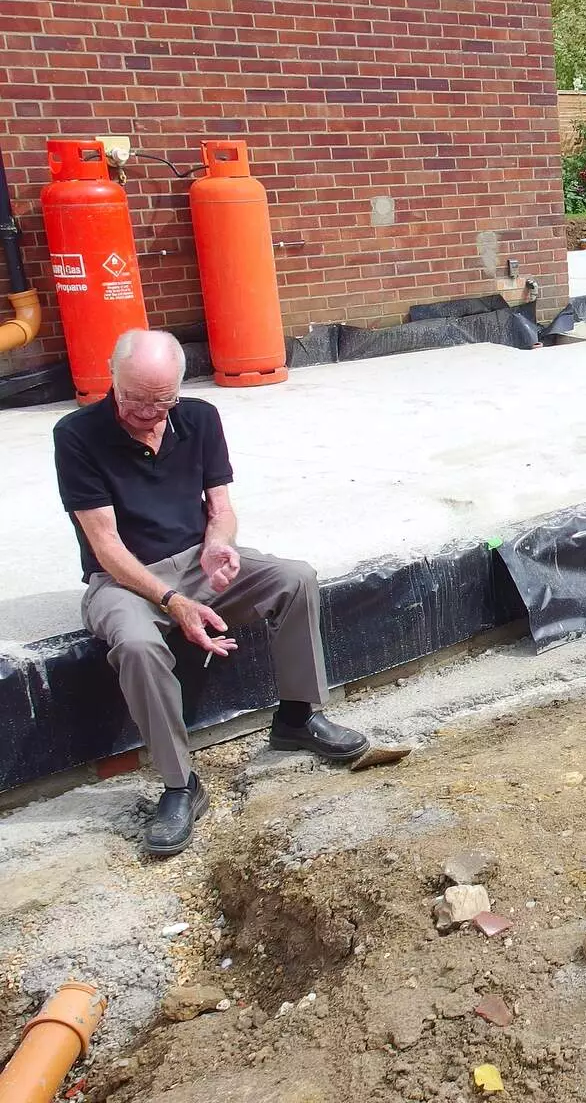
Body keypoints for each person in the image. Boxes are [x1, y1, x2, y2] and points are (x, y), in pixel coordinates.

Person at [53, 329, 369, 857]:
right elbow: (105, 544)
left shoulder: (199, 418)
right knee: (135, 644)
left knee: (294, 578)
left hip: (196, 563)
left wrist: (219, 547)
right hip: (125, 579)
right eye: (133, 398)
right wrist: (171, 600)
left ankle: (297, 718)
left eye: (161, 401)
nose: (146, 413)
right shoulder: (77, 434)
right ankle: (180, 785)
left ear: (177, 390)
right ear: (112, 378)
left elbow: (220, 508)